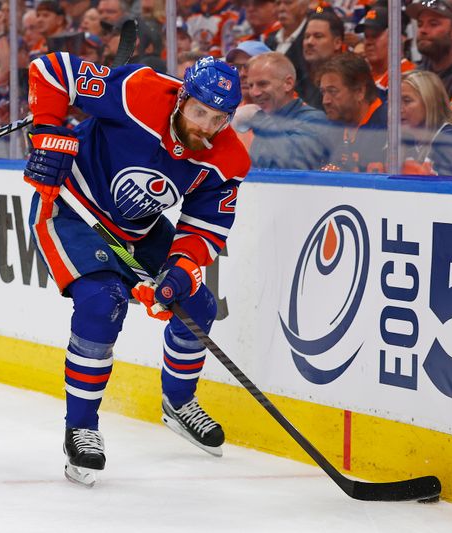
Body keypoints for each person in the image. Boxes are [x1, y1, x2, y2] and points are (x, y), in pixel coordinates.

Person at [25, 53, 250, 485]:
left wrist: (180, 271)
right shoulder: (138, 91)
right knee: (102, 301)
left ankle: (178, 402)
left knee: (198, 304)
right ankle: (82, 428)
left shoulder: (227, 159)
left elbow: (205, 227)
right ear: (182, 98)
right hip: (71, 210)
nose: (205, 125)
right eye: (199, 111)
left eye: (217, 119)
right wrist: (49, 132)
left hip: (140, 228)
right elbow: (51, 70)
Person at [237, 51, 329, 169]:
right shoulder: (265, 123)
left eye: (263, 84)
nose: (254, 93)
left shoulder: (315, 120)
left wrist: (259, 120)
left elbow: (295, 165)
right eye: (251, 86)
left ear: (288, 83)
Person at [318, 53, 388, 172]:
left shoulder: (389, 126)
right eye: (323, 92)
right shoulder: (330, 129)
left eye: (333, 91)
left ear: (359, 91)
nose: (325, 101)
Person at [400, 70, 452, 176]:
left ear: (430, 102)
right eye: (394, 101)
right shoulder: (409, 143)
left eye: (407, 100)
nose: (398, 109)